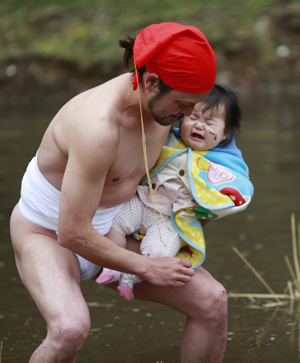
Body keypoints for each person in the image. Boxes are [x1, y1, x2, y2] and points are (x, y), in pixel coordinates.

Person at [10, 22, 229, 363]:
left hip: (111, 232)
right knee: (70, 329)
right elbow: (72, 233)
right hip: (49, 234)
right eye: (183, 105)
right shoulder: (97, 127)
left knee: (212, 300)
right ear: (151, 82)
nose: (186, 118)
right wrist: (147, 267)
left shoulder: (163, 109)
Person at [96, 84, 254, 300]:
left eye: (209, 122)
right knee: (112, 223)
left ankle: (129, 279)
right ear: (182, 116)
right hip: (142, 201)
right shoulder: (166, 138)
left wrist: (206, 207)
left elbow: (237, 193)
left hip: (172, 221)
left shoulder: (225, 165)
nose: (199, 125)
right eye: (194, 117)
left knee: (160, 253)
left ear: (225, 133)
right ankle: (114, 267)